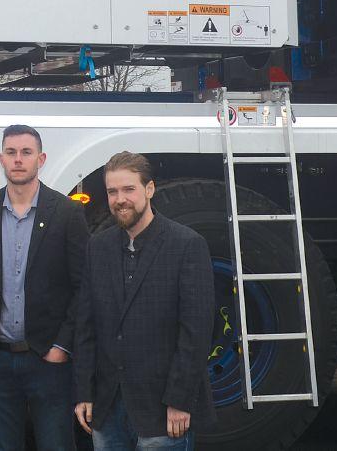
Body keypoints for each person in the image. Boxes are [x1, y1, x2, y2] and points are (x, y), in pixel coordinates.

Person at [74, 152, 216, 450]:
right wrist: (84, 392)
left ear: (149, 189)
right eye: (112, 192)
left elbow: (196, 332)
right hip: (107, 408)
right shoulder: (97, 247)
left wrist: (179, 400)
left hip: (162, 411)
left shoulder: (187, 245)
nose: (120, 200)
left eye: (129, 189)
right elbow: (86, 326)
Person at [0, 124, 89, 451]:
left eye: (26, 152)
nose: (18, 159)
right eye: (11, 152)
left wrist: (62, 346)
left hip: (48, 360)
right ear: (1, 158)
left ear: (40, 159)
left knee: (56, 445)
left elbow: (83, 287)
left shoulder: (67, 213)